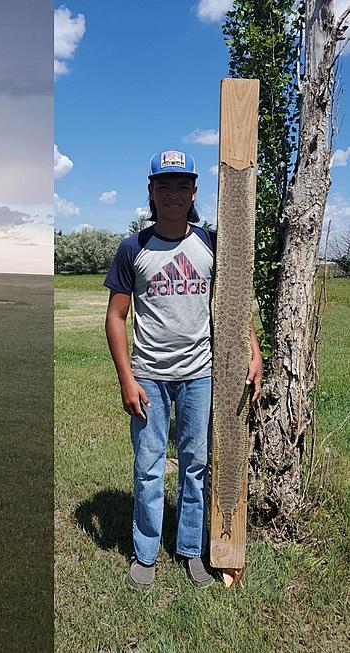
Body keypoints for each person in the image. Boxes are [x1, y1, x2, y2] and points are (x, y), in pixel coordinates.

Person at [103, 150, 263, 588]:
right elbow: (116, 317)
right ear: (151, 192)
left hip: (200, 374)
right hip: (150, 376)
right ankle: (146, 553)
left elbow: (231, 303)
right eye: (164, 185)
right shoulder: (133, 247)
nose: (173, 194)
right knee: (149, 465)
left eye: (181, 185)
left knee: (196, 463)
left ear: (194, 191)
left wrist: (253, 348)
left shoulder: (212, 243)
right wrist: (126, 378)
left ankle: (192, 549)